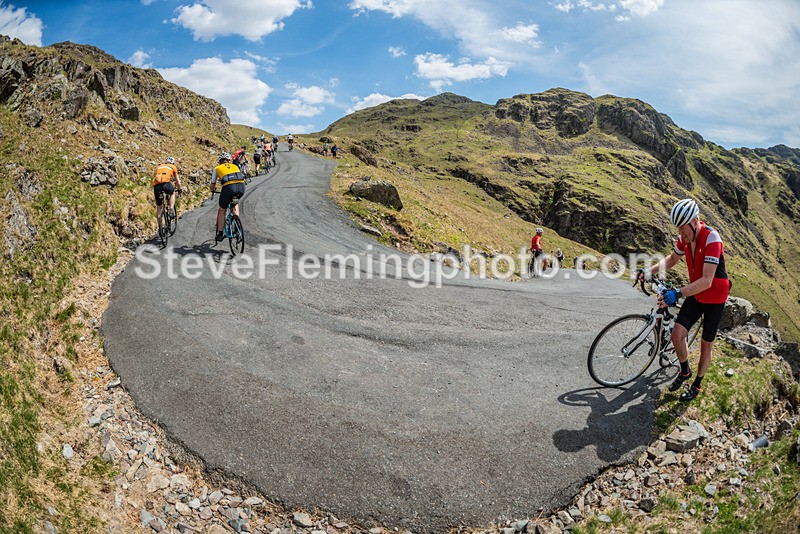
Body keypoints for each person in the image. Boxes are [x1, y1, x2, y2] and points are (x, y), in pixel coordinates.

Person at [638, 198, 732, 402]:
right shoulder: (684, 239)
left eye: (684, 229)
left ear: (695, 221)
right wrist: (649, 270)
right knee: (677, 335)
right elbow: (672, 260)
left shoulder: (712, 238)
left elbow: (707, 281)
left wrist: (678, 293)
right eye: (679, 230)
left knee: (706, 346)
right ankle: (685, 371)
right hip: (697, 293)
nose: (682, 234)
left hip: (715, 297)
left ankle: (697, 384)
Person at [210, 152, 246, 242]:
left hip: (229, 188)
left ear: (219, 161)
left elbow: (212, 184)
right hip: (241, 187)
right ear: (229, 161)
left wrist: (213, 190)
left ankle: (220, 233)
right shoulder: (235, 166)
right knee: (235, 203)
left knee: (222, 210)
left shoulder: (217, 168)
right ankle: (237, 224)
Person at [152, 156, 182, 224]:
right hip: (165, 184)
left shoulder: (159, 167)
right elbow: (178, 181)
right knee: (172, 193)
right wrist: (179, 189)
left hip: (156, 186)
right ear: (173, 163)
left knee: (159, 207)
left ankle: (160, 227)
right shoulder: (173, 167)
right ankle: (171, 208)